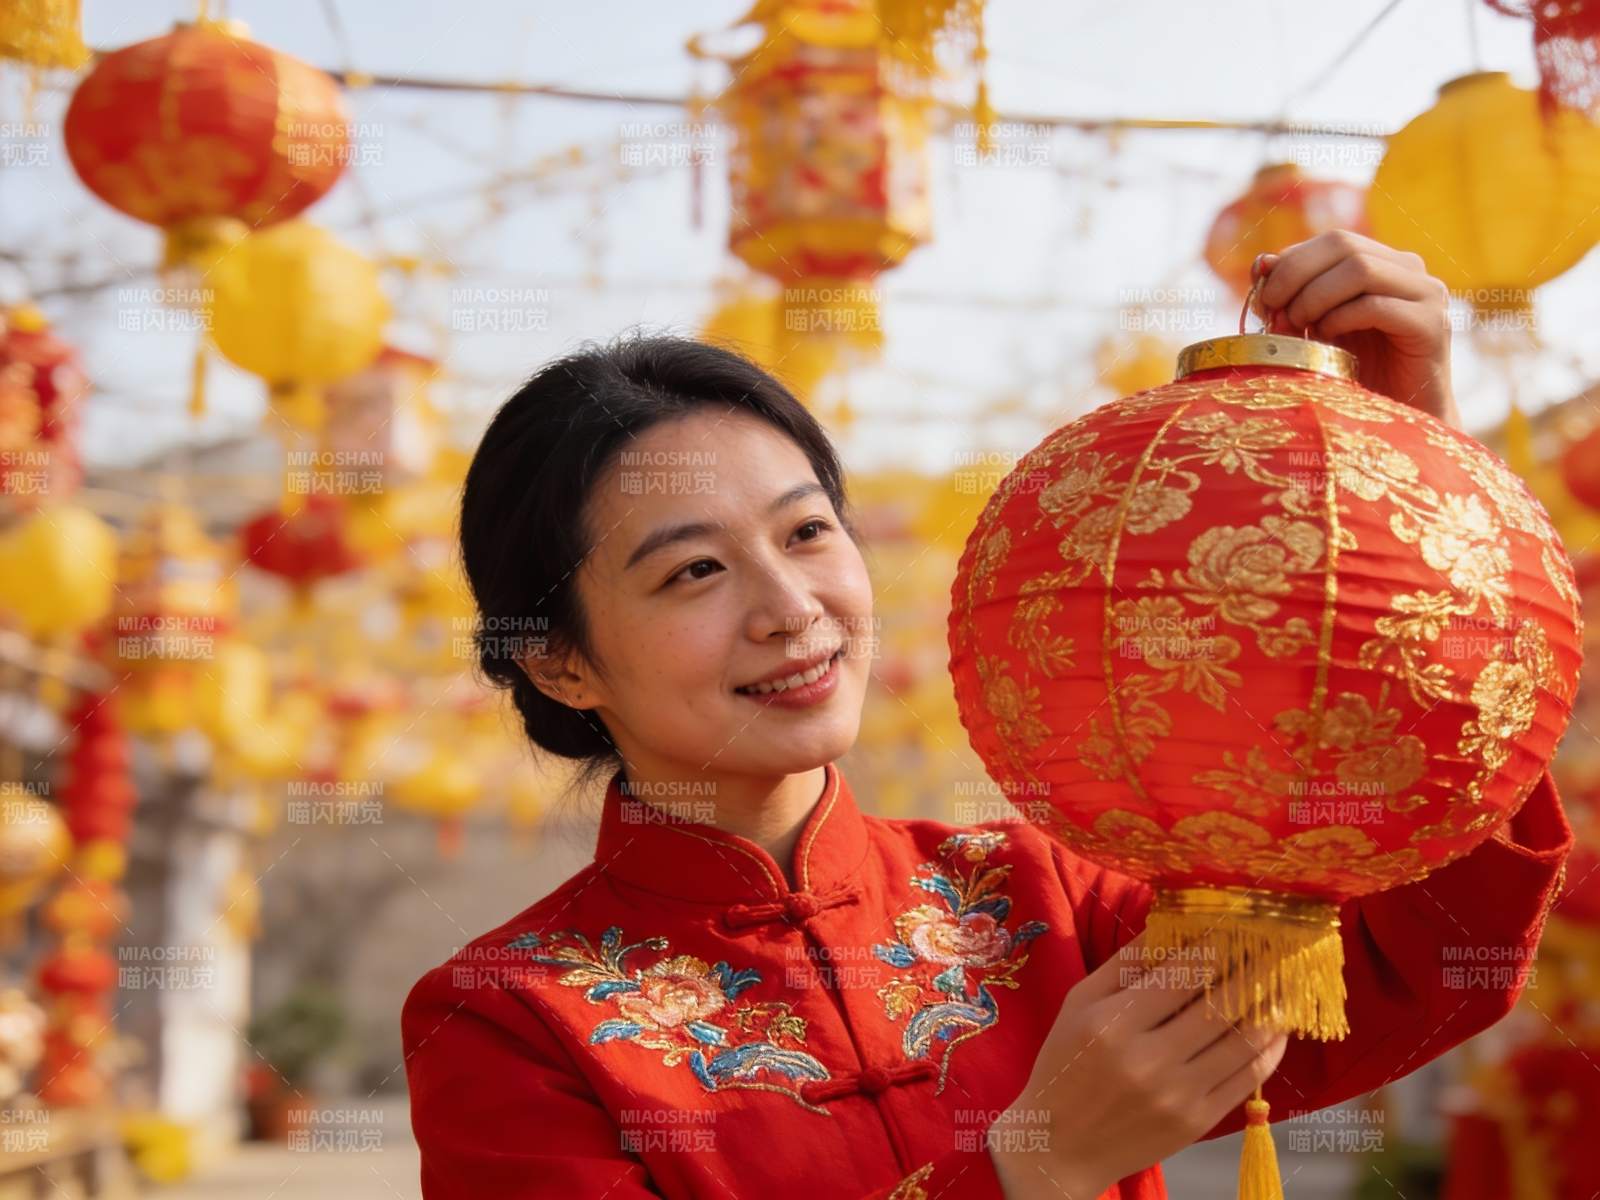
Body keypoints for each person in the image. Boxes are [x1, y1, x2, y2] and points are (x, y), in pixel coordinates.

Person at [401, 231, 1571, 1199]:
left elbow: (1426, 959)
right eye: (693, 572)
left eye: (808, 532)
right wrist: (1032, 1168)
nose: (789, 607)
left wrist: (1419, 499)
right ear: (559, 665)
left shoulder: (1040, 893)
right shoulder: (512, 1019)